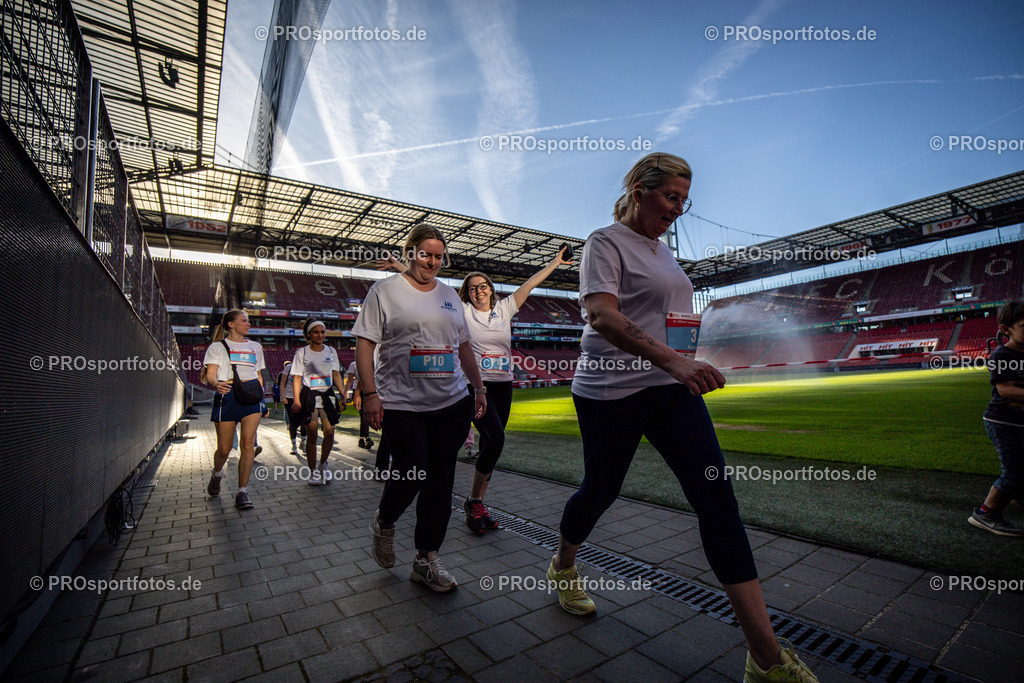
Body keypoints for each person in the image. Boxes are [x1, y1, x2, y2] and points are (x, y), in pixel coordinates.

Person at [545, 153, 818, 683]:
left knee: (717, 499)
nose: (677, 208)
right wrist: (673, 359)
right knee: (601, 489)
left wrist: (680, 357)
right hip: (611, 391)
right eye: (670, 196)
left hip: (669, 389)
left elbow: (666, 315)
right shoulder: (604, 241)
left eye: (683, 200)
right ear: (638, 189)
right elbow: (602, 314)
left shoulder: (663, 249)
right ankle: (562, 564)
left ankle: (765, 658)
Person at [379, 248, 572, 533]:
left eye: (482, 286)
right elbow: (433, 289)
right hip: (475, 386)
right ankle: (456, 496)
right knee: (496, 440)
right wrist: (400, 265)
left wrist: (555, 262)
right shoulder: (462, 311)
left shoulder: (505, 308)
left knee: (489, 445)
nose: (478, 291)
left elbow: (531, 283)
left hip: (503, 384)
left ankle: (476, 501)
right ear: (466, 295)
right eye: (472, 289)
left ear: (491, 289)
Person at [354, 223, 487, 592]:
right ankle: (385, 520)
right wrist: (370, 395)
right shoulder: (384, 291)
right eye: (425, 253)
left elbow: (463, 348)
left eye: (438, 255)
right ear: (411, 252)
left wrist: (478, 388)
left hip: (450, 403)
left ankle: (426, 559)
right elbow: (364, 346)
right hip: (401, 404)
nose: (432, 261)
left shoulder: (449, 296)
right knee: (413, 470)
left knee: (440, 482)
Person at [202, 310, 266, 510]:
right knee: (224, 448)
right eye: (244, 320)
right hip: (228, 394)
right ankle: (217, 474)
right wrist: (216, 384)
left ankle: (242, 492)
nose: (248, 324)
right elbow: (211, 374)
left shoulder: (256, 346)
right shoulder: (217, 347)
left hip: (251, 396)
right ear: (231, 324)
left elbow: (258, 375)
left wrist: (262, 401)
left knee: (248, 444)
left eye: (248, 321)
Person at [970, 301, 1024, 536]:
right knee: (1015, 472)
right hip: (1004, 421)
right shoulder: (1003, 354)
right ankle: (985, 513)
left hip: (1019, 420)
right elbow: (1006, 390)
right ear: (1006, 330)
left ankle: (1019, 496)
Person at [290, 320, 346, 485]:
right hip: (309, 397)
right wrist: (297, 400)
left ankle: (323, 464)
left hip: (327, 395)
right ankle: (313, 471)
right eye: (316, 332)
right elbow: (297, 378)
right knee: (312, 434)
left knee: (329, 432)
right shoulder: (302, 352)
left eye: (322, 331)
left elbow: (336, 374)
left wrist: (342, 394)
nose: (320, 335)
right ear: (309, 334)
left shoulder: (331, 351)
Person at [343, 360, 374, 450]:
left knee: (365, 415)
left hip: (369, 391)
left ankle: (362, 439)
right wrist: (344, 394)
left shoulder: (371, 362)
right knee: (363, 415)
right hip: (358, 392)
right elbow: (349, 381)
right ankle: (366, 438)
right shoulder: (353, 364)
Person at [277, 360, 300, 454]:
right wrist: (283, 396)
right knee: (292, 420)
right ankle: (294, 444)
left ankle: (304, 440)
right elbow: (282, 383)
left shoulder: (307, 367)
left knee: (305, 421)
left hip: (303, 396)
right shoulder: (289, 367)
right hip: (290, 396)